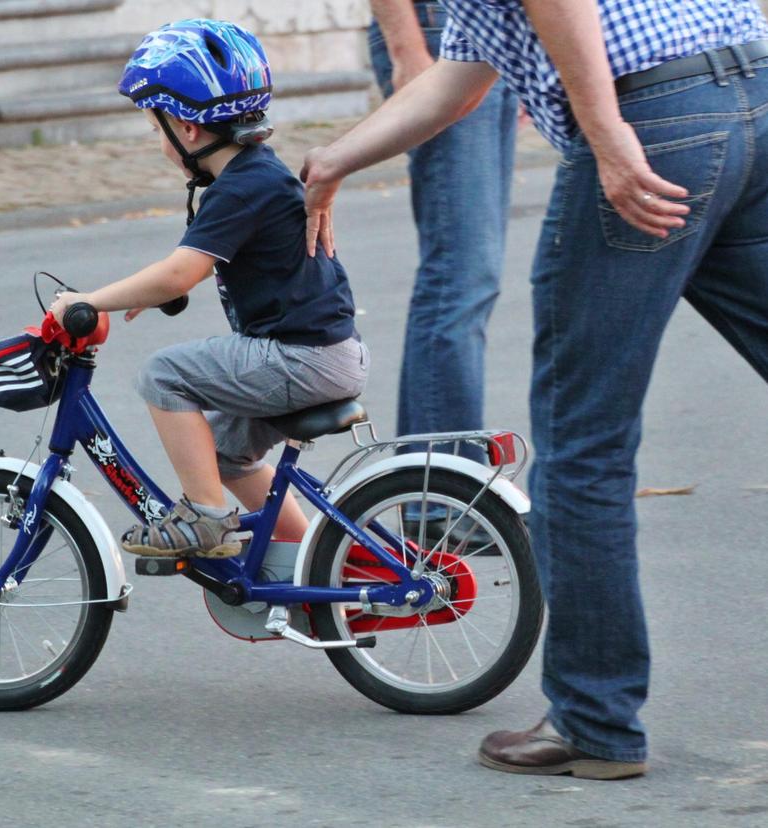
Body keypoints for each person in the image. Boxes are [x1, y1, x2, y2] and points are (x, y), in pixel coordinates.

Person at [301, 0, 768, 779]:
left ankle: (595, 720)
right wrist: (334, 159)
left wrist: (606, 126)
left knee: (585, 441)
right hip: (749, 89)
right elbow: (463, 80)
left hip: (649, 114)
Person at [50, 19, 369, 559]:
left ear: (187, 129)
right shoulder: (252, 177)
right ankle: (310, 558)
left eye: (157, 128)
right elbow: (190, 268)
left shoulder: (242, 189)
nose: (159, 140)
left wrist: (88, 300)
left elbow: (180, 273)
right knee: (223, 453)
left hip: (301, 358)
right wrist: (148, 293)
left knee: (163, 374)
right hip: (324, 353)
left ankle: (204, 517)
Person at [368, 0, 518, 548]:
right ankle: (438, 501)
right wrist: (406, 46)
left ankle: (443, 493)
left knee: (471, 279)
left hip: (488, 37)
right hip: (436, 34)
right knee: (459, 275)